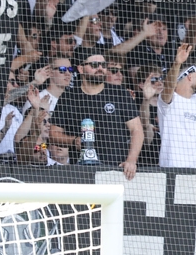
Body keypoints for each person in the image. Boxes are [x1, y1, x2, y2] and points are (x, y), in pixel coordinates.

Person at [48, 51, 143, 179]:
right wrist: (74, 140)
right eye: (94, 65)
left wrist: (131, 161)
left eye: (103, 65)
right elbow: (53, 134)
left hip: (116, 170)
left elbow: (137, 130)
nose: (100, 69)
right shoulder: (68, 97)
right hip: (81, 172)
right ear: (81, 69)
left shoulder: (119, 93)